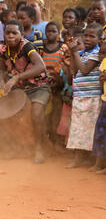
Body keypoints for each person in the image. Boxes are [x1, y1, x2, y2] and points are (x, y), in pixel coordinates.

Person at [0, 20, 51, 164]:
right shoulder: (3, 50)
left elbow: (41, 66)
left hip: (39, 86)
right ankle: (18, 147)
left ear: (21, 35)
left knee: (36, 113)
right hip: (19, 88)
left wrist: (16, 77)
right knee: (4, 112)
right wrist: (2, 83)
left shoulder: (27, 46)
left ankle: (39, 149)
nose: (10, 36)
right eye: (7, 33)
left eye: (14, 33)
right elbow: (2, 69)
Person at [65, 23, 103, 168]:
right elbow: (75, 71)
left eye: (92, 36)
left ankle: (88, 158)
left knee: (90, 129)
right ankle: (78, 157)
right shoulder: (82, 53)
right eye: (86, 35)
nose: (87, 38)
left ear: (99, 40)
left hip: (92, 97)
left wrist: (74, 52)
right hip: (79, 96)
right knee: (77, 128)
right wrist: (73, 53)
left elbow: (85, 70)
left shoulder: (97, 53)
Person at [41, 22, 70, 150]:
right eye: (48, 31)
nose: (50, 34)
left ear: (59, 34)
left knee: (57, 114)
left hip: (59, 85)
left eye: (54, 31)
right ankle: (48, 141)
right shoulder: (41, 48)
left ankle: (57, 141)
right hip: (45, 85)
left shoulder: (63, 47)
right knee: (46, 114)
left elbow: (66, 64)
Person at [92, 42, 106, 173]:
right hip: (105, 101)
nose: (102, 56)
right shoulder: (104, 63)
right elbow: (101, 81)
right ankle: (99, 163)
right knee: (101, 133)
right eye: (100, 53)